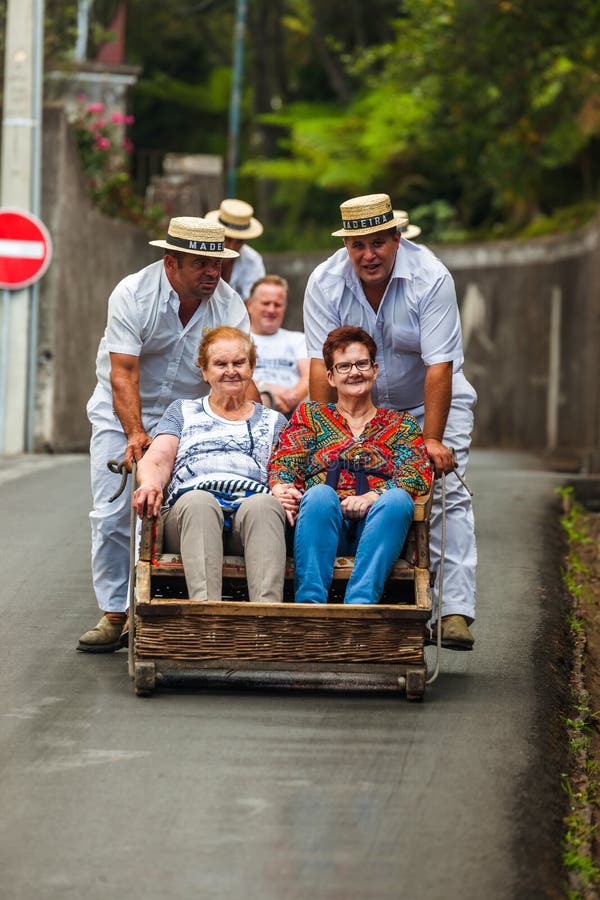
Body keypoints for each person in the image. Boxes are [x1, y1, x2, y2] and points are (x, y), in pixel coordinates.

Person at [303, 193, 477, 647]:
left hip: (428, 400)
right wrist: (322, 431)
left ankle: (453, 610)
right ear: (346, 245)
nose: (369, 255)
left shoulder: (430, 277)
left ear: (397, 238)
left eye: (378, 243)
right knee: (340, 485)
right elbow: (320, 365)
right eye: (358, 246)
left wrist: (431, 439)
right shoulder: (325, 281)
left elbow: (440, 366)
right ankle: (348, 598)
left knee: (443, 493)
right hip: (357, 406)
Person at [78, 217, 258, 653]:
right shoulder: (132, 293)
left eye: (217, 264)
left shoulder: (229, 304)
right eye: (201, 264)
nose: (212, 273)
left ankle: (158, 608)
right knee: (113, 513)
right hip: (120, 411)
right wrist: (135, 433)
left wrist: (256, 431)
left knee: (184, 507)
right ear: (171, 262)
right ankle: (114, 613)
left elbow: (238, 376)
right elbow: (124, 373)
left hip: (188, 416)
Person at [268, 326, 433, 605]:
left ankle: (360, 604)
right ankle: (310, 605)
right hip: (320, 524)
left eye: (362, 364)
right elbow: (285, 462)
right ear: (330, 377)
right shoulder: (311, 416)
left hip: (377, 529)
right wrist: (281, 486)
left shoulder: (401, 424)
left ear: (374, 370)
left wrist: (371, 497)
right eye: (344, 366)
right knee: (320, 495)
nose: (354, 372)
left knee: (398, 499)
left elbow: (416, 473)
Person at [133, 327, 288, 603]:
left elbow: (285, 469)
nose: (231, 371)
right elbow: (157, 458)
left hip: (249, 518)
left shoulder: (275, 421)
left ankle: (266, 619)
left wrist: (284, 488)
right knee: (200, 503)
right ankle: (206, 613)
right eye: (220, 364)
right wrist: (150, 483)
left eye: (239, 363)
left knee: (264, 506)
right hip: (189, 517)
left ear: (252, 367)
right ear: (204, 371)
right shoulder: (183, 411)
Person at [246, 275, 309, 416]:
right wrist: (272, 391)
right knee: (262, 397)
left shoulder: (298, 339)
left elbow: (309, 376)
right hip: (256, 402)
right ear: (249, 305)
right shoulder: (239, 340)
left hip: (295, 405)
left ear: (285, 307)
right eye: (266, 303)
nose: (271, 310)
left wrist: (293, 396)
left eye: (277, 305)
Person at [205, 199, 265, 300]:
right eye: (227, 239)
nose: (232, 247)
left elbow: (254, 300)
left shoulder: (252, 260)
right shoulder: (201, 254)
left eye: (239, 242)